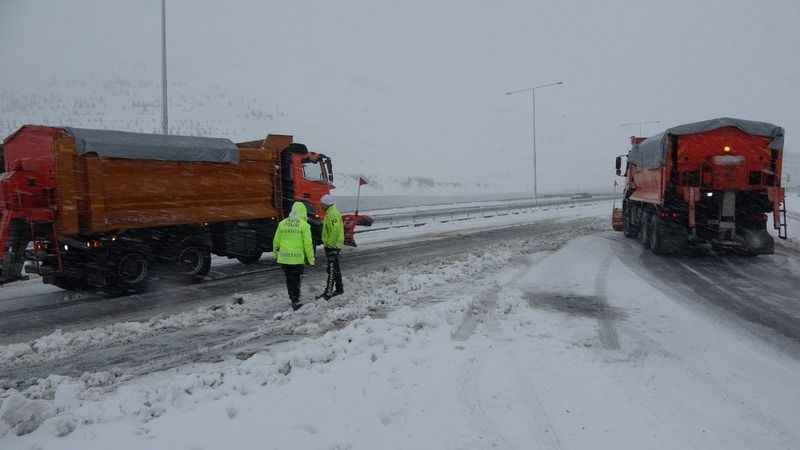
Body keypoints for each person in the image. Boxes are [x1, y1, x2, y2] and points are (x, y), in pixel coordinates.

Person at [273, 202, 315, 310]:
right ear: (303, 212)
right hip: (297, 259)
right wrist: (310, 259)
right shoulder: (304, 225)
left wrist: (275, 254)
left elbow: (276, 241)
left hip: (284, 258)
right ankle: (296, 300)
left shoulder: (282, 223)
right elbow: (308, 244)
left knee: (289, 279)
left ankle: (293, 298)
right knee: (296, 279)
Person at [318, 194, 344, 300]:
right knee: (335, 268)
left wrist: (330, 244)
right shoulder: (330, 212)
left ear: (326, 204)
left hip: (333, 246)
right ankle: (339, 289)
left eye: (322, 204)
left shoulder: (332, 214)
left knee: (332, 270)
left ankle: (328, 293)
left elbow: (335, 230)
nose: (321, 206)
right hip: (333, 245)